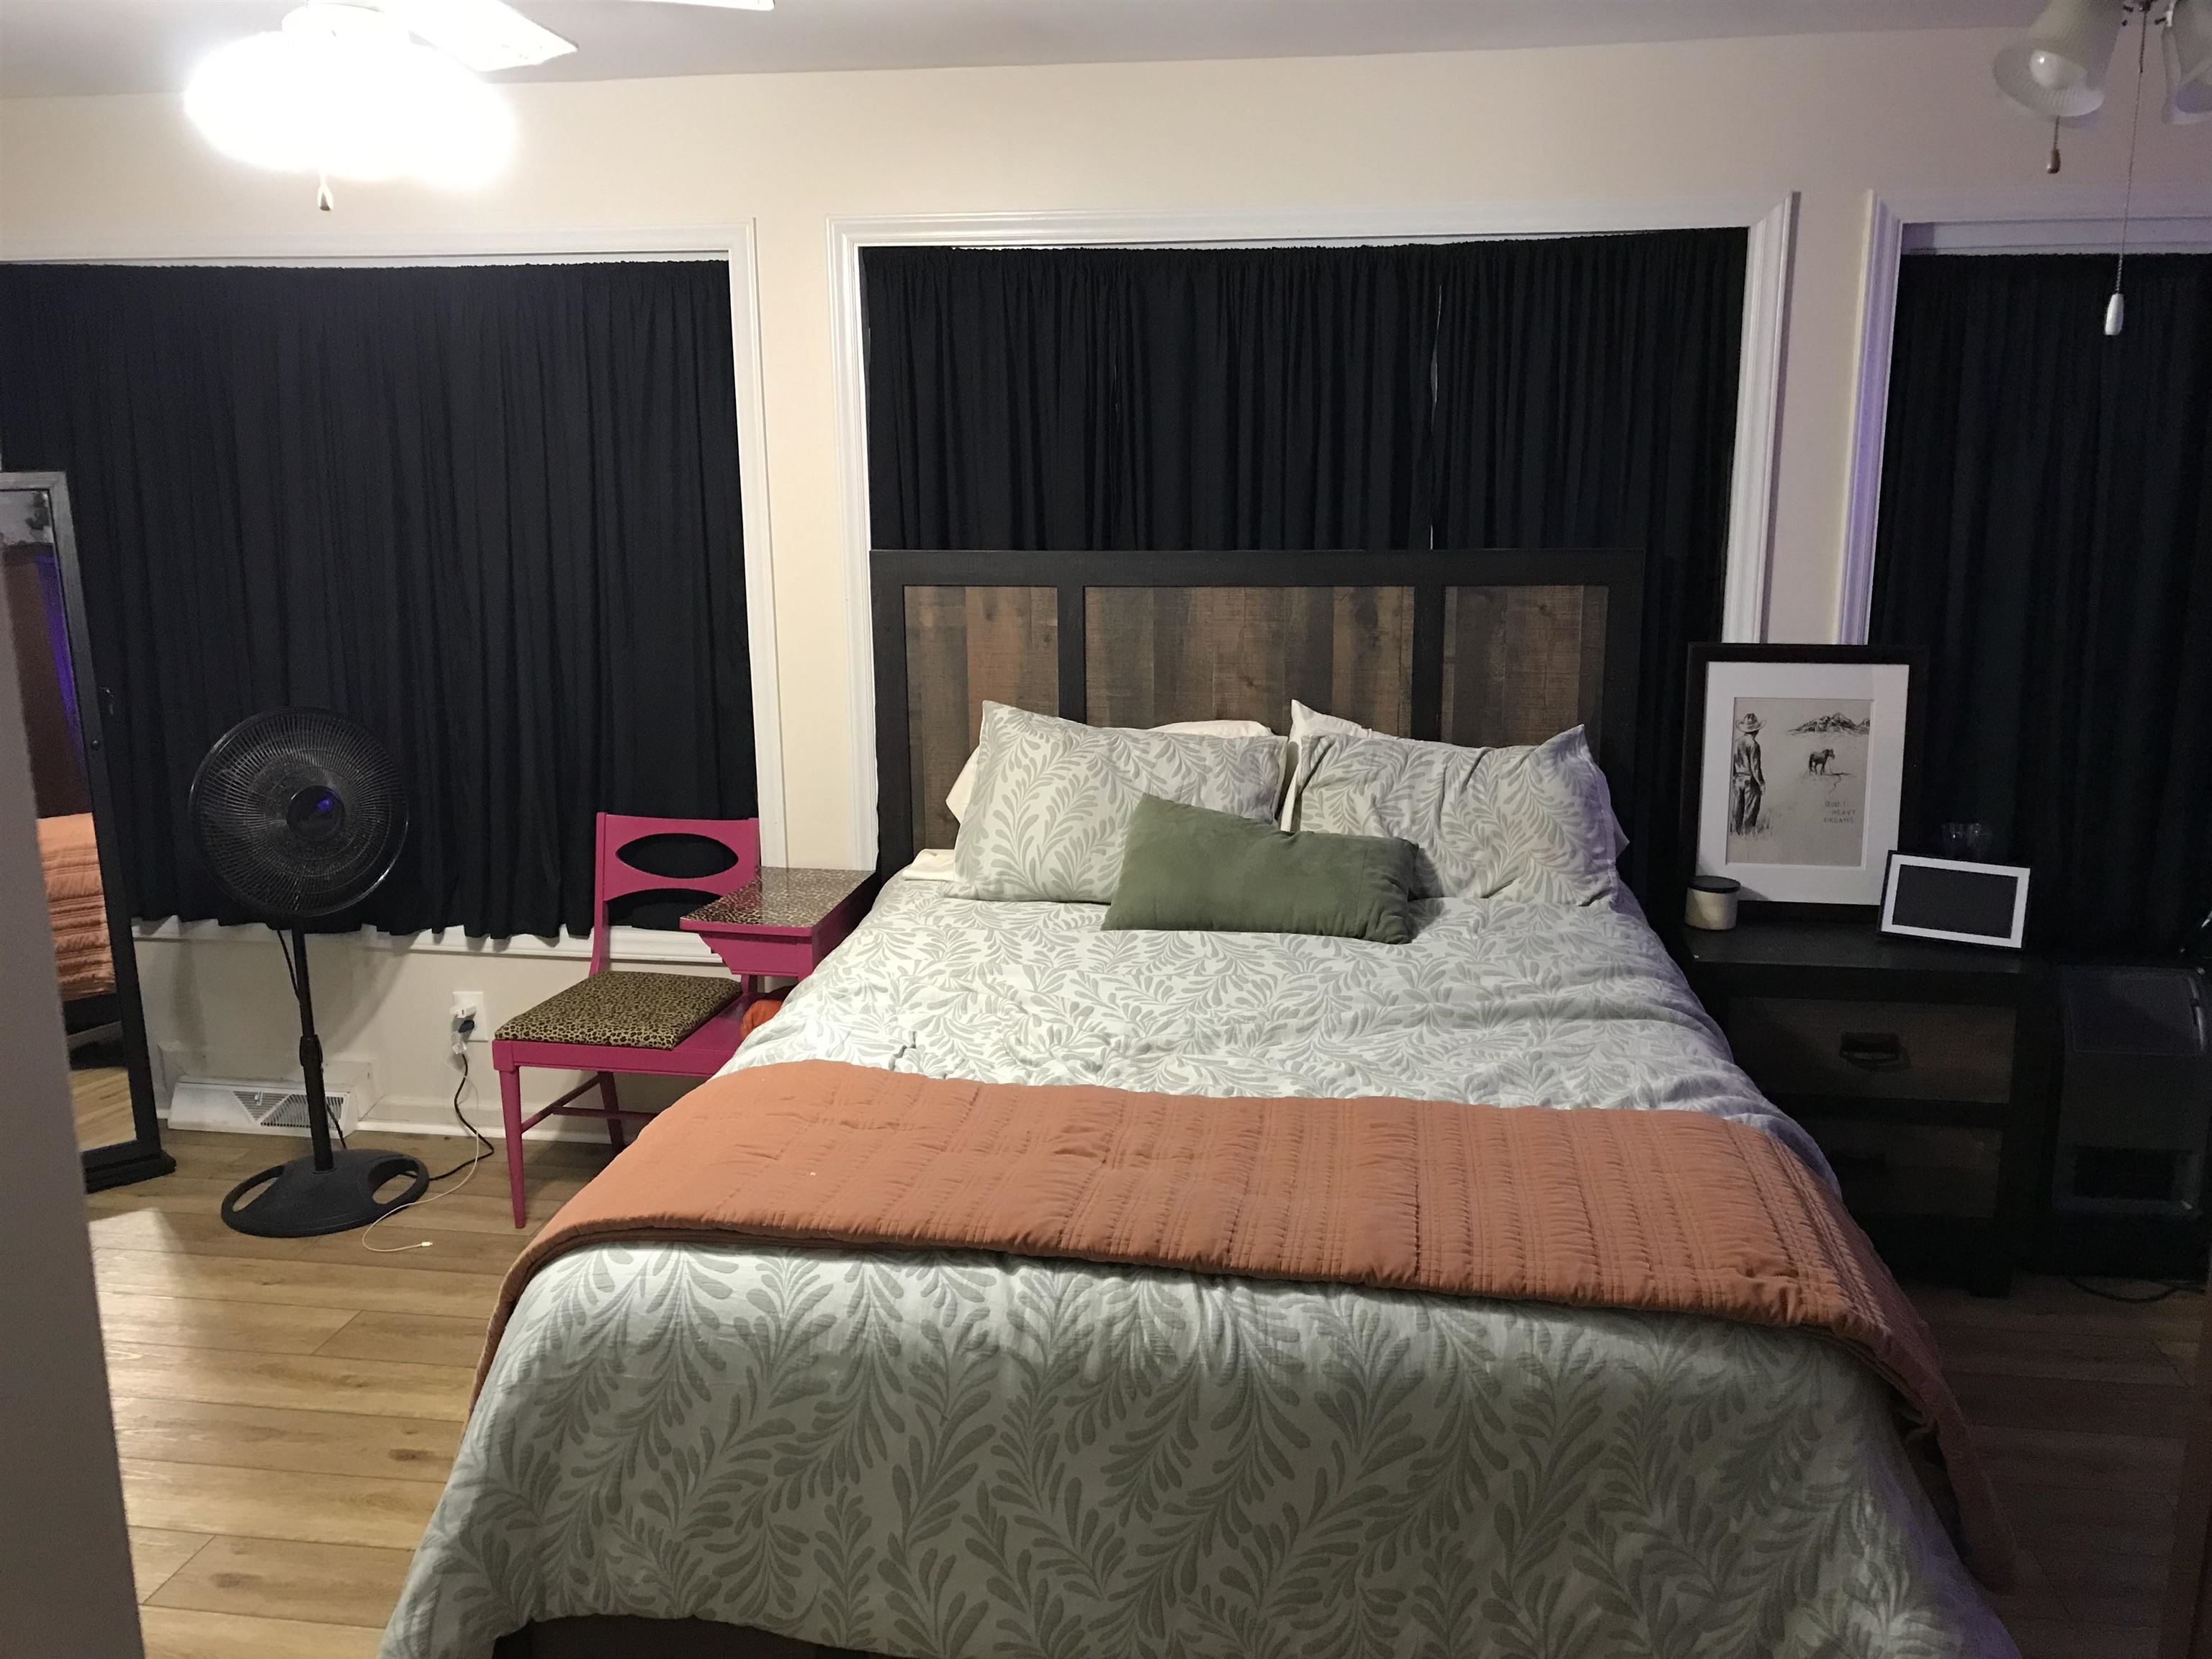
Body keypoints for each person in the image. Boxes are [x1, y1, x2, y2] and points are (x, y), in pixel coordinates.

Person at [1730, 711, 1766, 835]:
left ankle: (1735, 832)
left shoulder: (1736, 743)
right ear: (1756, 730)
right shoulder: (1754, 745)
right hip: (1750, 780)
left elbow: (1732, 763)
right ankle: (1747, 835)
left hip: (1737, 778)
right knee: (1750, 809)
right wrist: (1761, 783)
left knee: (1737, 808)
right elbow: (1755, 768)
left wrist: (1733, 777)